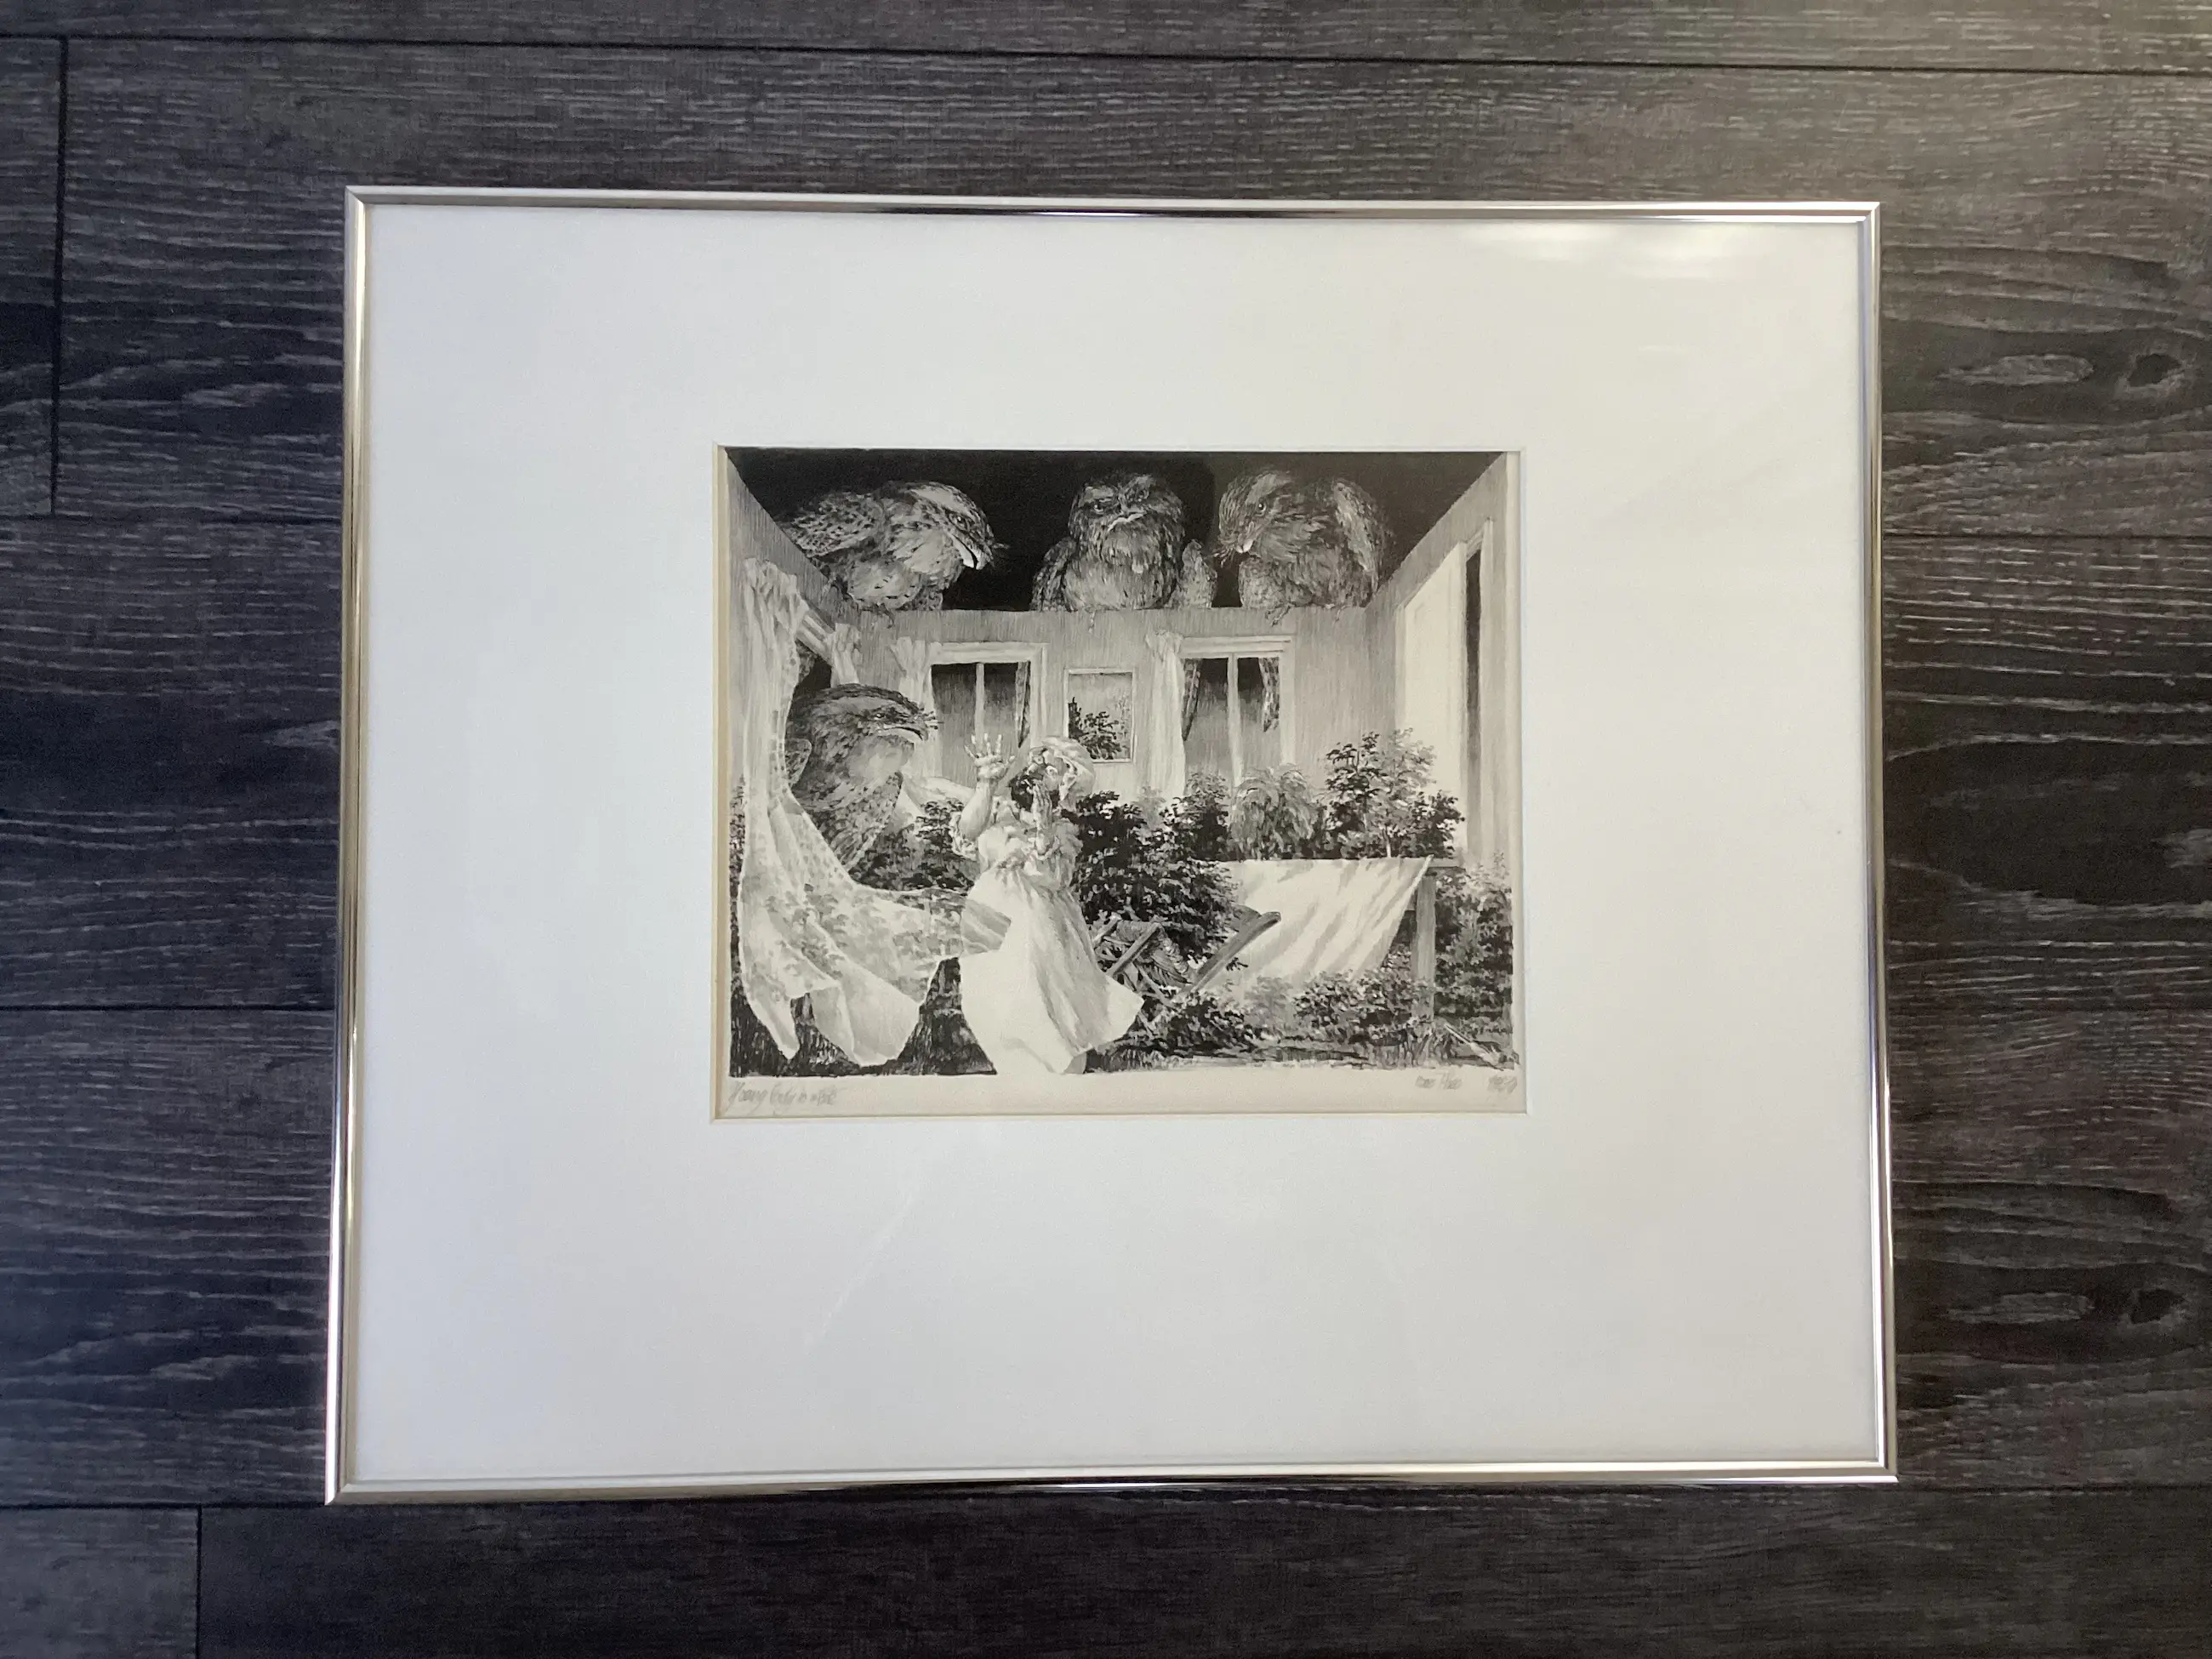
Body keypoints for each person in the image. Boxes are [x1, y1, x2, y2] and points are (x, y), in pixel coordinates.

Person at [954, 734, 1142, 1076]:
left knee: (1034, 989)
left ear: (1066, 783)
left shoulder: (1062, 828)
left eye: (1050, 768)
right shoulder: (998, 808)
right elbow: (966, 834)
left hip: (1038, 916)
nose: (1037, 768)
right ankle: (1015, 1068)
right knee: (990, 992)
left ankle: (1050, 1070)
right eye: (1037, 760)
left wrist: (1043, 829)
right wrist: (985, 784)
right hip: (989, 910)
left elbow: (1053, 876)